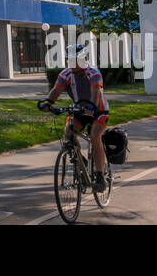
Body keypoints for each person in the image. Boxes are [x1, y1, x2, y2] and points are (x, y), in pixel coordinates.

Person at [39, 45, 111, 192]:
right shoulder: (66, 74)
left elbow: (95, 92)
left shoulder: (93, 73)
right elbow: (56, 89)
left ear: (83, 59)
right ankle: (81, 162)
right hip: (78, 110)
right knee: (68, 134)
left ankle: (99, 176)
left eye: (74, 60)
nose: (71, 64)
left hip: (98, 111)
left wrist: (92, 107)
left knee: (95, 136)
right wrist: (49, 103)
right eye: (68, 60)